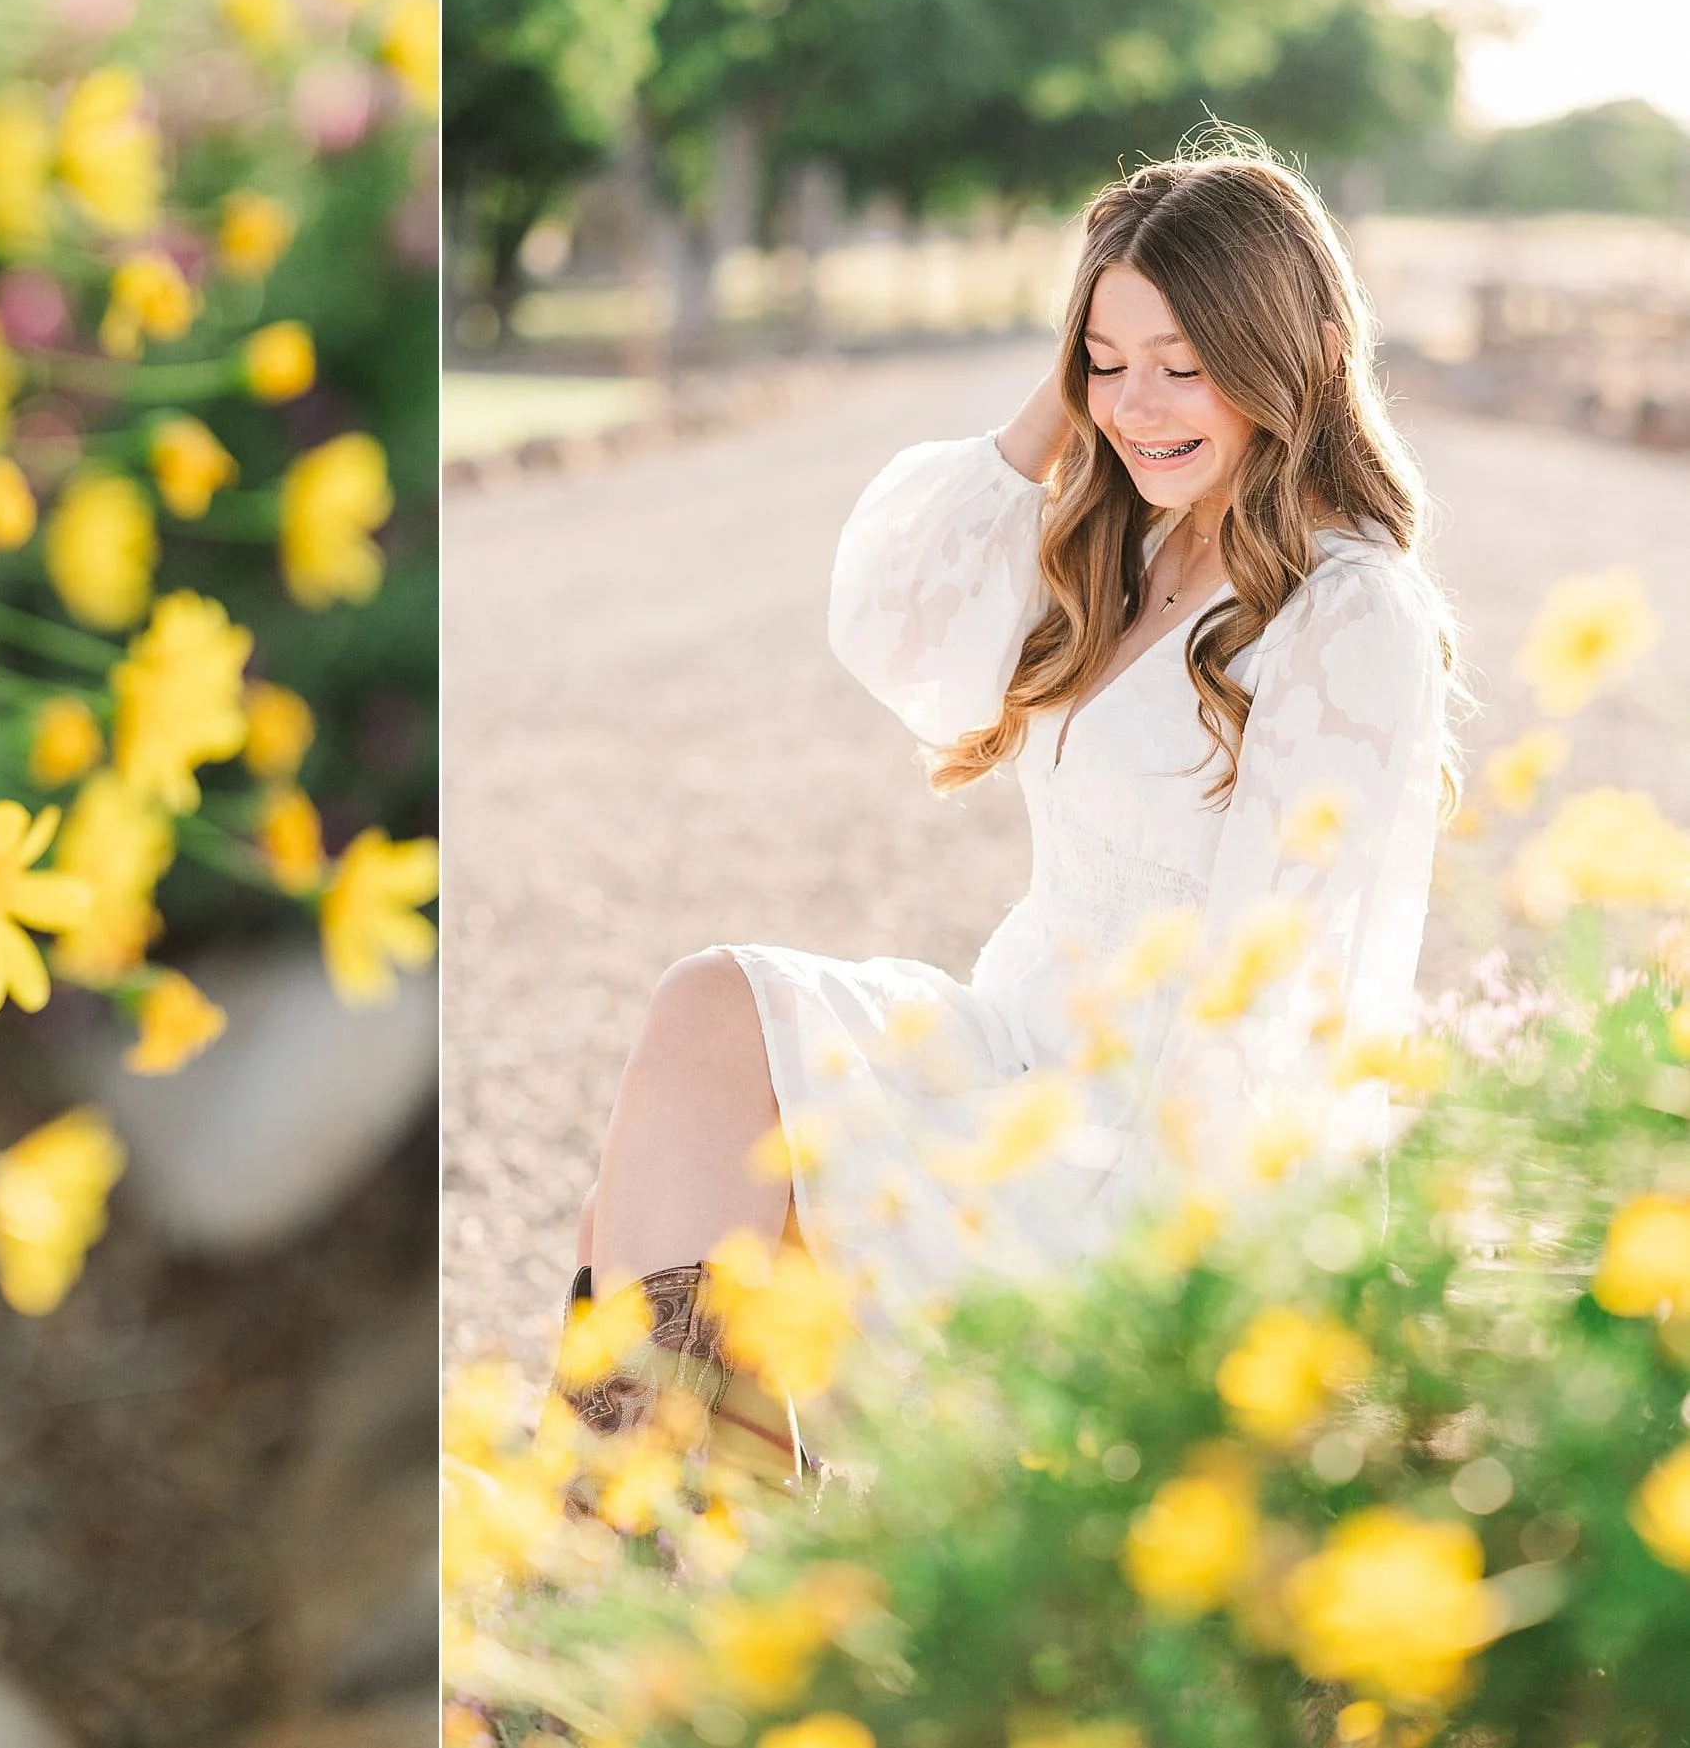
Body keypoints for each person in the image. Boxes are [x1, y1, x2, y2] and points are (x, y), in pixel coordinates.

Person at [552, 146, 1464, 1493]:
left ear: (1308, 356)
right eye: (1108, 358)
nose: (1140, 406)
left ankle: (623, 1604)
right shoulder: (1143, 540)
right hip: (1012, 1047)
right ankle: (633, 1567)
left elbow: (1287, 1001)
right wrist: (1068, 400)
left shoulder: (1351, 613)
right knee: (705, 1025)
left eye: (1186, 361)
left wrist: (1180, 1314)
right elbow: (891, 619)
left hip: (1140, 1150)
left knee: (669, 1200)